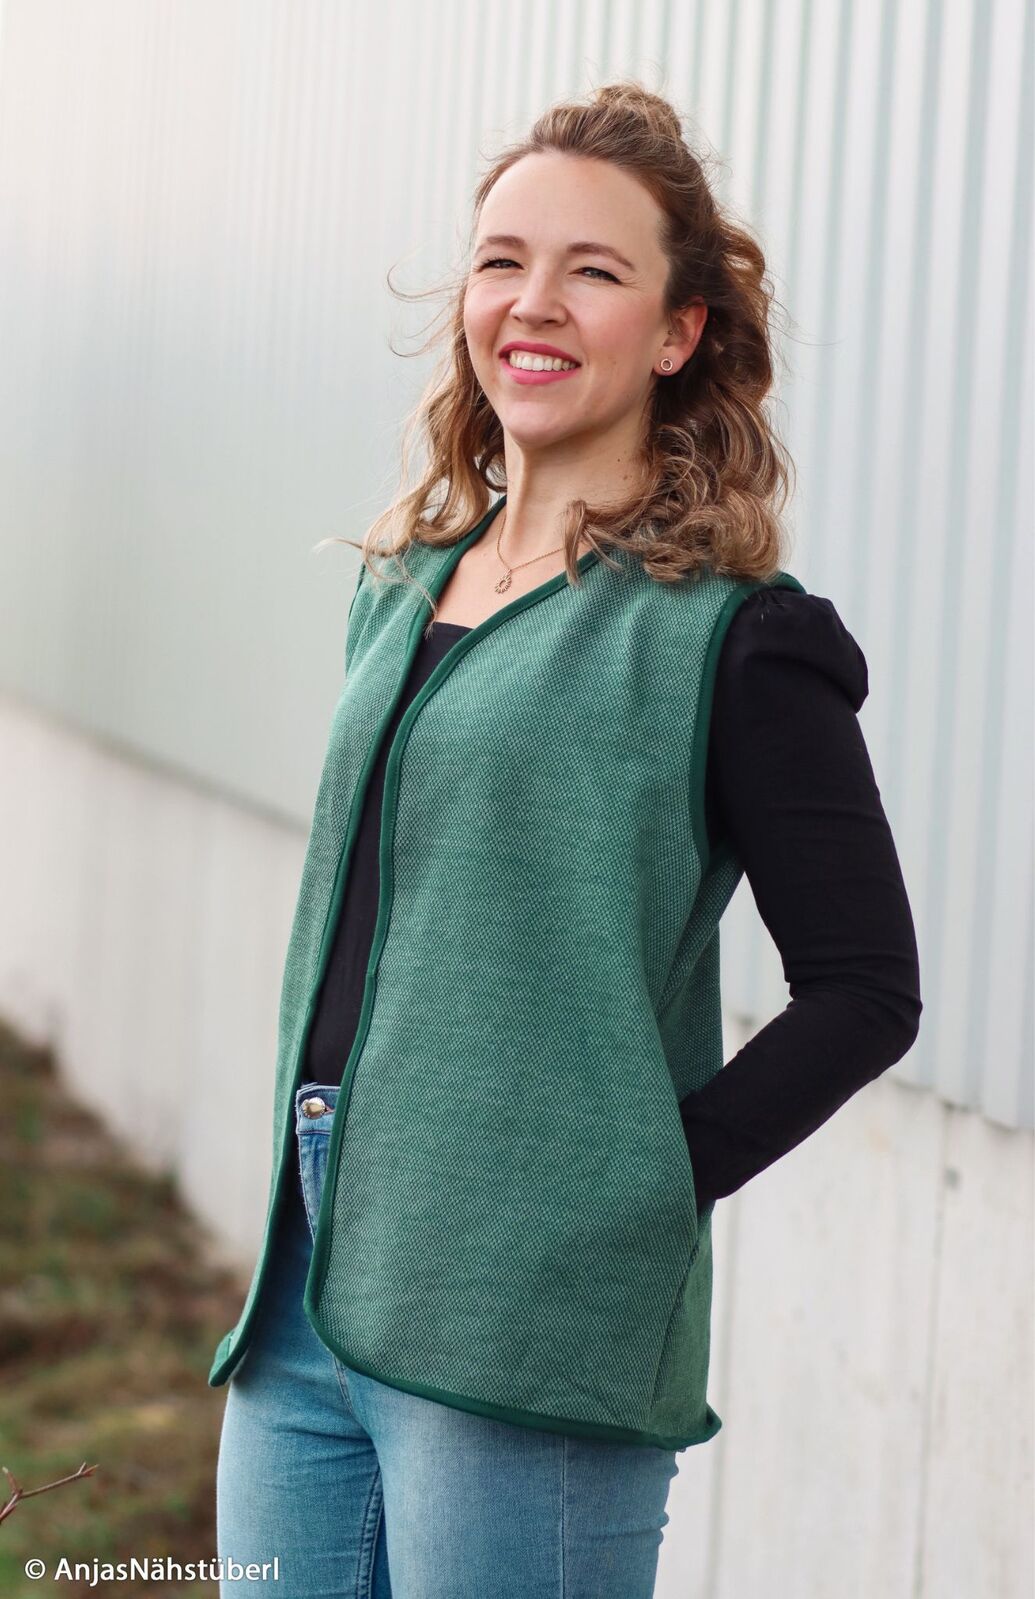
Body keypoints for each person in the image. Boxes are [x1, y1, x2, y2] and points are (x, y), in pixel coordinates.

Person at [213, 82, 922, 1599]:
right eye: (501, 260)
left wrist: (631, 1183)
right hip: (305, 1289)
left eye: (593, 271)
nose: (531, 303)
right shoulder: (401, 585)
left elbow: (867, 990)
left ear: (677, 333)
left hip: (527, 1322)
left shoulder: (737, 640)